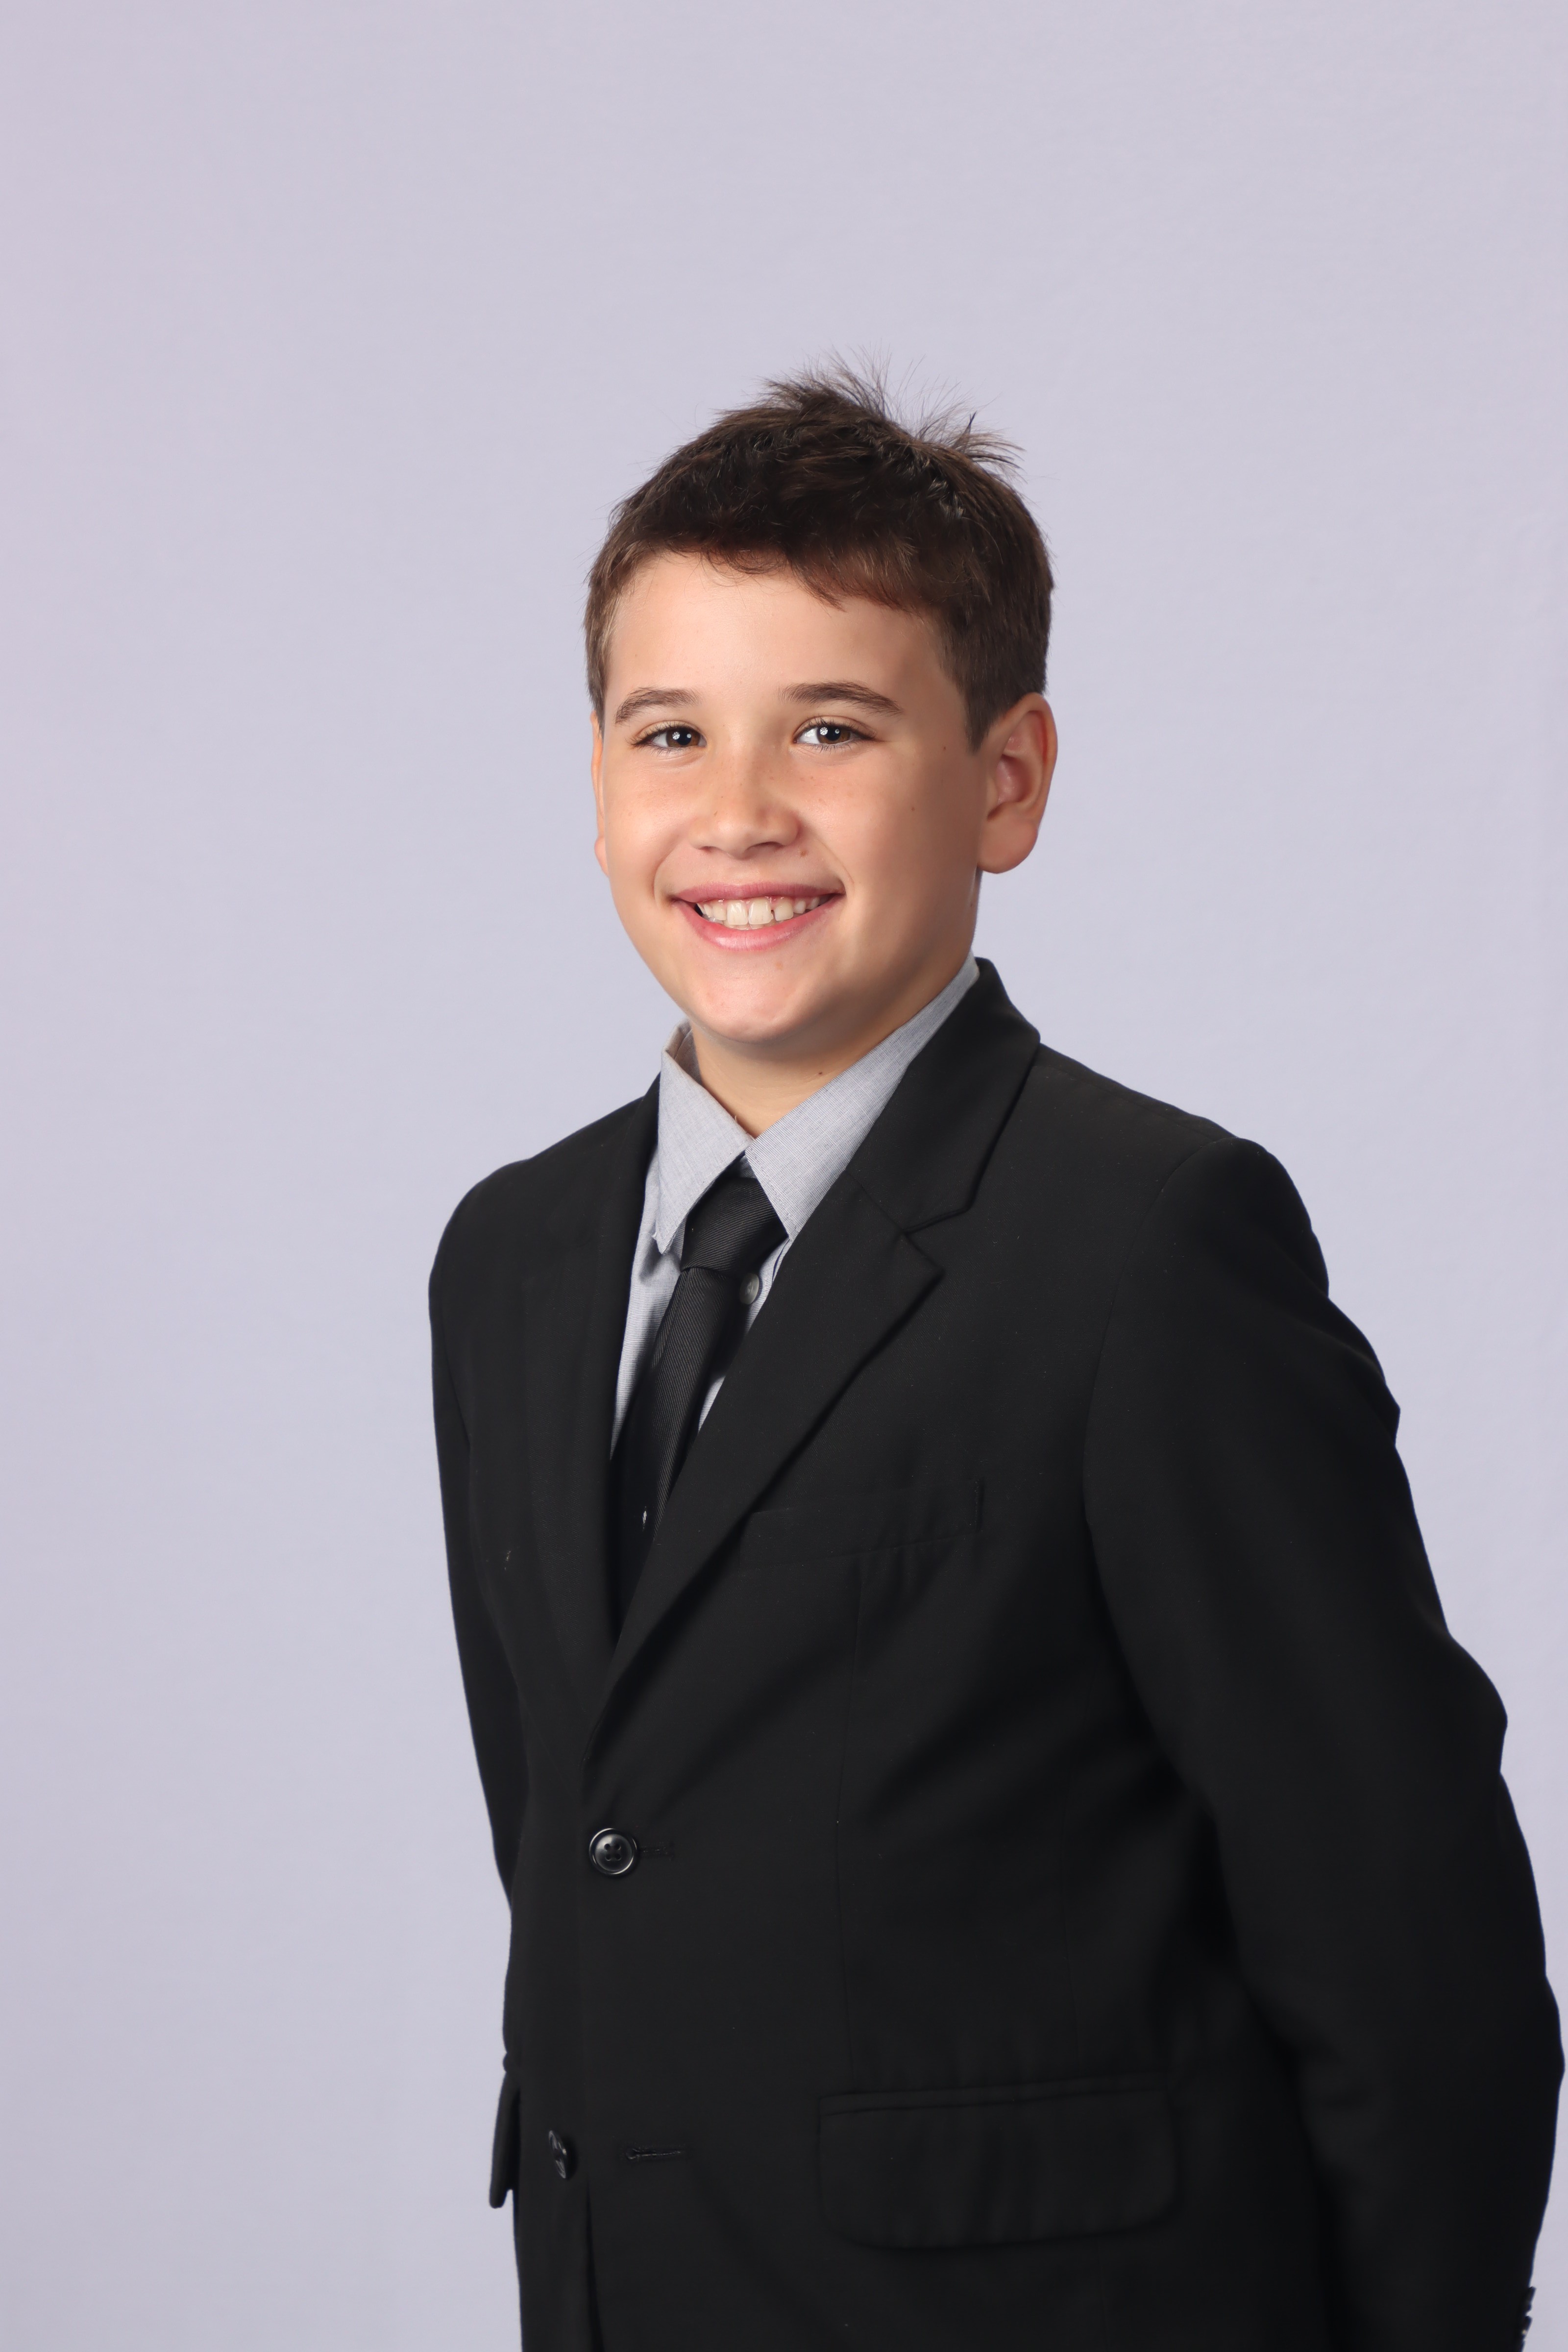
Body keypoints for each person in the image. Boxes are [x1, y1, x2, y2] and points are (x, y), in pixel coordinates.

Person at [428, 368, 1560, 2352]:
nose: (736, 812)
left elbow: (1413, 1962)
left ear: (1006, 781)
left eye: (832, 728)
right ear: (596, 781)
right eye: (669, 732)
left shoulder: (1149, 1249)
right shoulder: (511, 1260)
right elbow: (588, 1843)